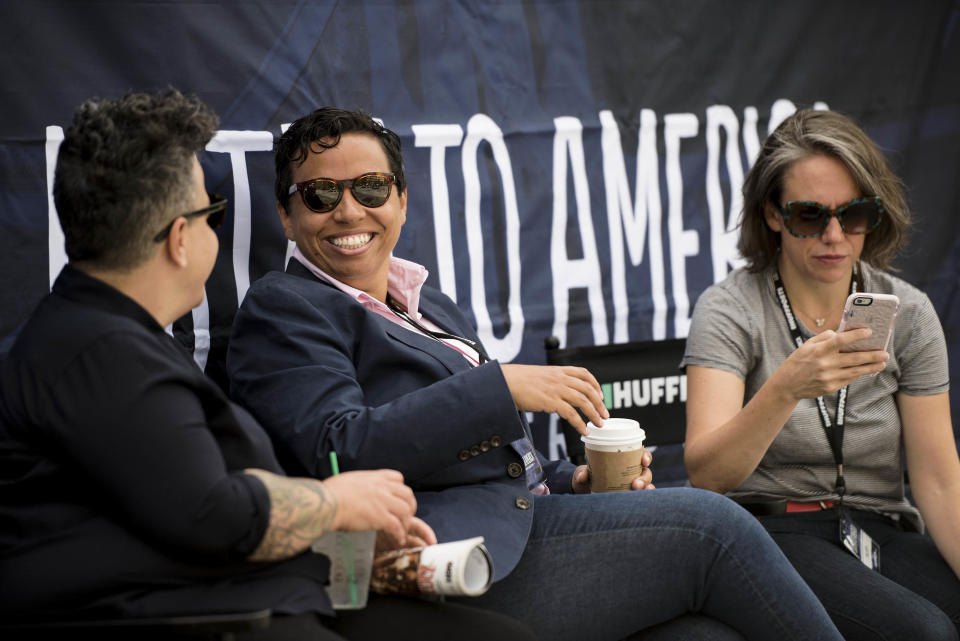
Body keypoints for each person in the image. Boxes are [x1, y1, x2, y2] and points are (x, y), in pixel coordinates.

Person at [226, 106, 846, 641]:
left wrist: (575, 481)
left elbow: (495, 459)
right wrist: (501, 386)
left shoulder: (425, 301)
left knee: (701, 635)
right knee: (712, 527)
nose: (348, 210)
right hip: (441, 559)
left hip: (523, 523)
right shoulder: (284, 306)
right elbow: (339, 449)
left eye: (369, 187)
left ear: (401, 199)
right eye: (320, 195)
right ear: (287, 215)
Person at [0, 89, 538, 641]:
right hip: (218, 617)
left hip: (270, 595)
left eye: (371, 188)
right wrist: (333, 504)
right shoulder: (102, 353)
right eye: (213, 213)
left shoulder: (108, 337)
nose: (349, 209)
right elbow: (218, 515)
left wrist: (342, 533)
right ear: (182, 240)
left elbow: (189, 493)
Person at [682, 108, 960, 641]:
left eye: (854, 214)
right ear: (771, 216)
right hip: (771, 526)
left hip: (879, 526)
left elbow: (940, 483)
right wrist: (786, 388)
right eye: (810, 216)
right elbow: (708, 476)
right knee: (923, 632)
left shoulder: (909, 311)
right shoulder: (729, 309)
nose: (834, 235)